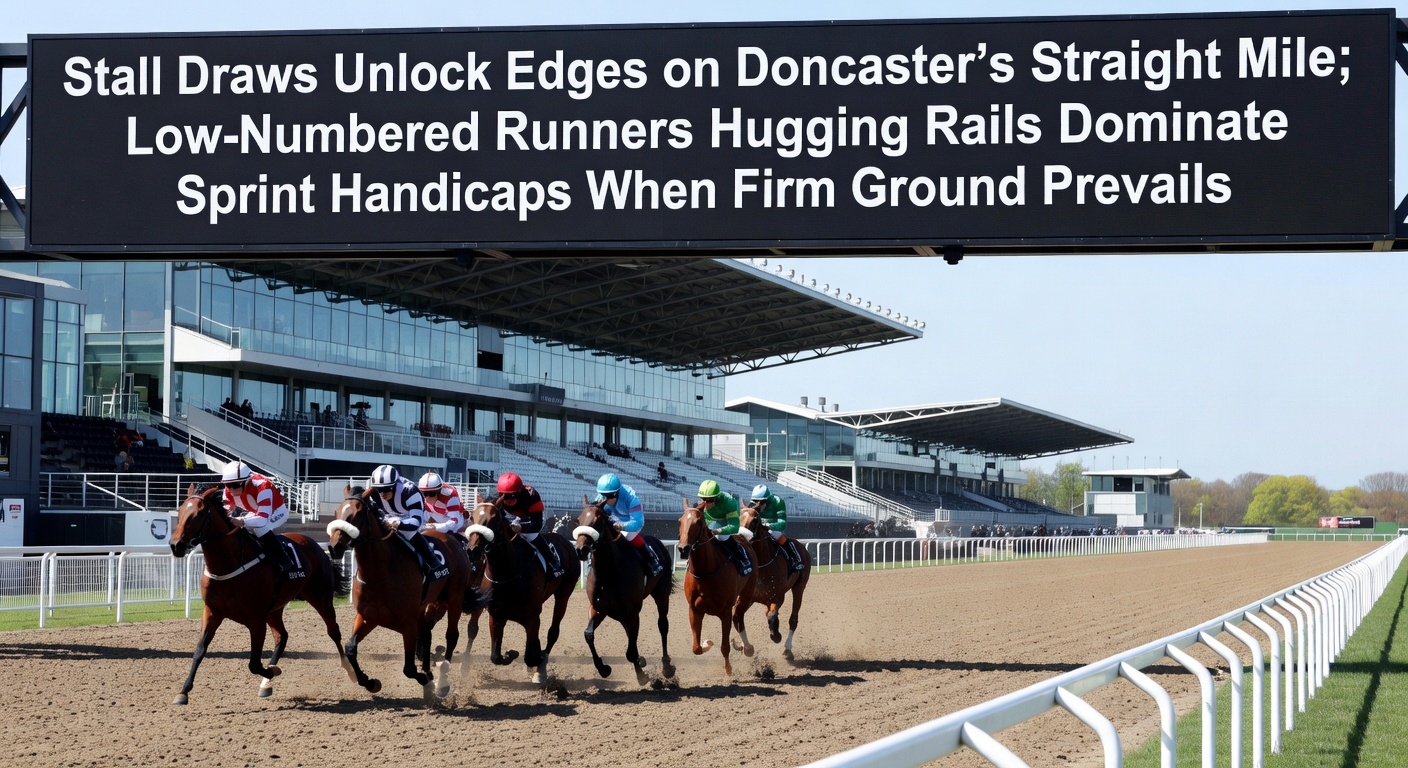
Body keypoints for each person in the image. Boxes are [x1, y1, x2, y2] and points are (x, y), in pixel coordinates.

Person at [219, 461, 293, 581]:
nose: (231, 489)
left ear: (246, 481)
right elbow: (224, 514)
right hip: (256, 511)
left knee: (260, 528)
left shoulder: (262, 485)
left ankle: (285, 561)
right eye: (228, 485)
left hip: (277, 511)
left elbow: (263, 519)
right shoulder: (228, 490)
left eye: (235, 485)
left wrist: (242, 521)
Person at [365, 464, 439, 582]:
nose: (382, 494)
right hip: (389, 515)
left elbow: (416, 522)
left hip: (412, 516)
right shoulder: (374, 492)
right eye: (379, 490)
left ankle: (432, 561)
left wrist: (399, 524)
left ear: (394, 486)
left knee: (407, 532)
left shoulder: (410, 490)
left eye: (386, 489)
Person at [491, 472, 565, 579]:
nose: (509, 500)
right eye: (506, 497)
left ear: (520, 491)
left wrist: (522, 528)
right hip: (508, 518)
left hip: (530, 519)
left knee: (532, 536)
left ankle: (554, 563)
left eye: (513, 496)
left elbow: (537, 524)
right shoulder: (495, 496)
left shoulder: (532, 495)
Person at [594, 473, 665, 577]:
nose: (606, 500)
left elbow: (637, 522)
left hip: (631, 520)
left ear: (617, 493)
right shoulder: (602, 496)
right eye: (604, 496)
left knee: (628, 535)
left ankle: (652, 560)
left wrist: (622, 526)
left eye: (610, 496)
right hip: (613, 518)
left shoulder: (631, 497)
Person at [695, 479, 752, 575]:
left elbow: (734, 527)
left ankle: (743, 557)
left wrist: (718, 530)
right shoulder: (698, 505)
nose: (706, 503)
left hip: (726, 523)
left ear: (716, 497)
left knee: (721, 537)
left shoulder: (728, 502)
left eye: (710, 500)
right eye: (703, 499)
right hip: (711, 524)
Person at [749, 484, 805, 573]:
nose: (758, 505)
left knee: (776, 534)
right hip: (758, 528)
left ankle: (795, 559)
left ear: (767, 499)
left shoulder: (778, 501)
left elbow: (782, 524)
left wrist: (769, 526)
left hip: (772, 528)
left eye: (762, 502)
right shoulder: (752, 505)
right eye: (756, 502)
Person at [417, 471, 466, 543]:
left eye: (431, 494)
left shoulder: (450, 495)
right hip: (433, 514)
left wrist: (434, 527)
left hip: (454, 519)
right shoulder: (418, 495)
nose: (427, 498)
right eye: (424, 493)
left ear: (440, 491)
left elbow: (453, 524)